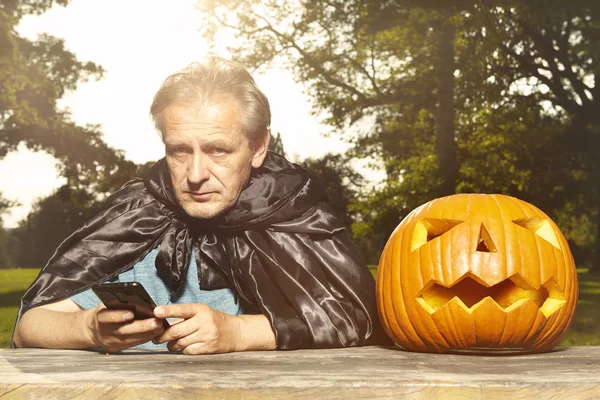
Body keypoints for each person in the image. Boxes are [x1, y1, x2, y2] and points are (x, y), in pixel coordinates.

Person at [13, 56, 386, 354]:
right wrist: (89, 328)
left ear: (258, 147)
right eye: (179, 151)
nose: (195, 174)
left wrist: (238, 332)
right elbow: (29, 327)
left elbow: (362, 317)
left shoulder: (295, 211)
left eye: (218, 150)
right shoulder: (130, 216)